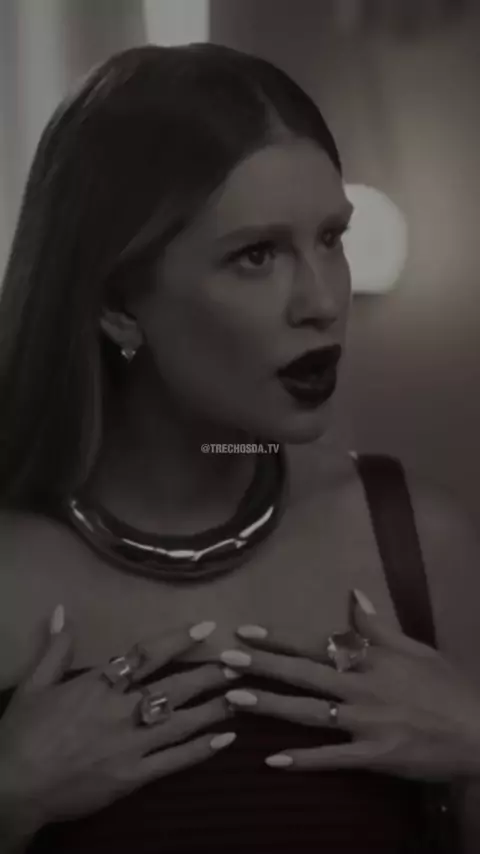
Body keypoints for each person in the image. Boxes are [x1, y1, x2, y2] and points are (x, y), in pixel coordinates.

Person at [1, 42, 480, 854]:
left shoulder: (417, 546)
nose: (322, 301)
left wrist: (476, 744)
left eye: (331, 238)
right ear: (117, 304)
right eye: (257, 256)